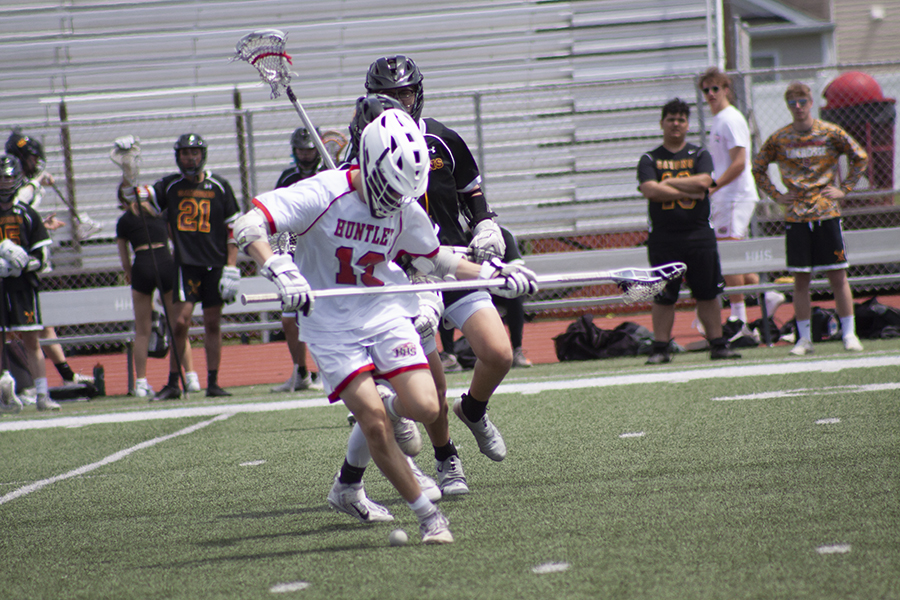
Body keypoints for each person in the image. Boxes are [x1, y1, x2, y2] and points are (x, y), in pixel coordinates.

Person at [231, 109, 537, 543]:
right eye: (391, 190)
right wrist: (278, 267)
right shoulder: (324, 192)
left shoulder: (403, 206)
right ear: (371, 164)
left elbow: (439, 260)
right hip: (329, 322)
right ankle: (429, 517)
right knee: (373, 421)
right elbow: (247, 224)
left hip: (383, 309)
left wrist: (498, 274)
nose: (395, 202)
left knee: (427, 408)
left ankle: (352, 475)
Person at [365, 55, 517, 472]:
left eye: (405, 93)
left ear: (418, 94)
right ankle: (447, 457)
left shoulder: (442, 138)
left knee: (499, 353)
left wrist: (486, 224)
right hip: (406, 276)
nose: (399, 101)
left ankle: (474, 409)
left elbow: (471, 190)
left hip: (453, 263)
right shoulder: (364, 146)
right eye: (389, 96)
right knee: (434, 383)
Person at [751, 82, 868, 355]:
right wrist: (776, 195)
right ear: (787, 106)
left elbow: (860, 157)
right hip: (796, 217)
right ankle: (804, 339)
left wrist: (844, 189)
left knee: (837, 275)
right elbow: (758, 168)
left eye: (802, 101)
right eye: (793, 103)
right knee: (800, 279)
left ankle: (849, 333)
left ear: (810, 101)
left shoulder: (829, 132)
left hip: (827, 213)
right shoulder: (780, 138)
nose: (799, 107)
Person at [133, 133, 241, 399]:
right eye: (184, 153)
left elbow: (233, 229)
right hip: (186, 264)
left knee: (213, 323)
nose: (189, 157)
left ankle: (213, 382)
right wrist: (135, 193)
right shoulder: (170, 185)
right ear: (177, 156)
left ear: (202, 155)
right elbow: (143, 203)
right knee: (179, 323)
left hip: (215, 264)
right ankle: (173, 382)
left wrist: (231, 266)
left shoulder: (220, 186)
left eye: (194, 152)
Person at [637, 98, 740, 364]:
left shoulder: (699, 154)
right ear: (662, 123)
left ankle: (717, 344)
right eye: (671, 119)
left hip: (699, 236)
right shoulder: (650, 158)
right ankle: (661, 347)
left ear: (687, 124)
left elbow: (705, 182)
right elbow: (650, 189)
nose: (676, 124)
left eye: (681, 119)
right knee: (663, 295)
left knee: (707, 292)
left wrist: (669, 182)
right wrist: (686, 186)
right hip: (664, 237)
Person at [5, 129, 97, 389]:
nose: (35, 164)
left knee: (38, 325)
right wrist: (36, 185)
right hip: (11, 268)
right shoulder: (19, 188)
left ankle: (61, 377)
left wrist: (42, 225)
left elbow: (22, 221)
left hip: (25, 267)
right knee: (18, 329)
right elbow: (17, 210)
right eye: (31, 159)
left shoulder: (25, 188)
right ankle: (22, 382)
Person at [697, 68, 785, 329]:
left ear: (727, 89)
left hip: (734, 196)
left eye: (716, 88)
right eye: (706, 90)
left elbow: (739, 162)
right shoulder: (719, 119)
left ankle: (738, 317)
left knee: (727, 255)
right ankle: (767, 295)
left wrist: (714, 186)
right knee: (735, 255)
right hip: (727, 196)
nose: (711, 94)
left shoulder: (730, 119)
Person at [116, 183, 192, 398]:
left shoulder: (124, 221)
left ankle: (140, 382)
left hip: (142, 264)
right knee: (177, 324)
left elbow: (124, 258)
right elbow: (174, 239)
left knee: (142, 330)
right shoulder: (160, 214)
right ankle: (192, 376)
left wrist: (132, 274)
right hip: (164, 260)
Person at [0, 155, 59, 411]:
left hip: (22, 286)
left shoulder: (27, 213)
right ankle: (4, 392)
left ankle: (43, 394)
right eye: (2, 177)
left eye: (10, 177)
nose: (6, 182)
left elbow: (42, 257)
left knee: (31, 338)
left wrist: (21, 264)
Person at [270, 127, 324, 393]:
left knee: (324, 314)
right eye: (301, 150)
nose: (305, 155)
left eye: (309, 149)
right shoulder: (287, 178)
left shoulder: (328, 174)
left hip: (324, 251)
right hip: (295, 251)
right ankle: (300, 371)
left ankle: (328, 370)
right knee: (289, 318)